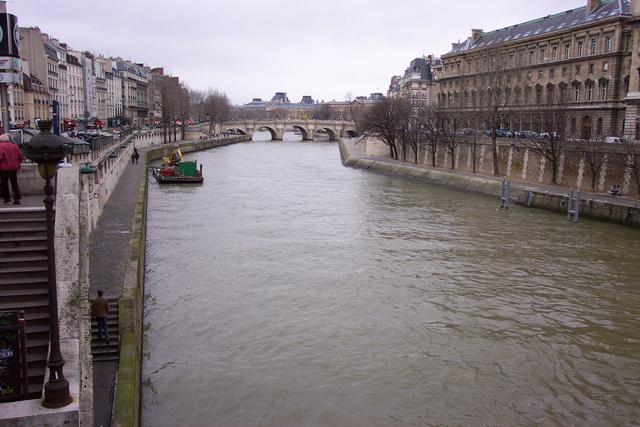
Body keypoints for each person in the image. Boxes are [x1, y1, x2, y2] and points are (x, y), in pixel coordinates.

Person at [0, 134, 23, 205]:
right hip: (14, 167)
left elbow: (0, 157)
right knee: (14, 183)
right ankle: (17, 198)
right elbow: (21, 156)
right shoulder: (14, 146)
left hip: (4, 168)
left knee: (4, 183)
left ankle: (7, 198)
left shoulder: (1, 146)